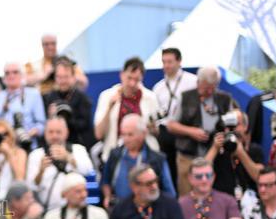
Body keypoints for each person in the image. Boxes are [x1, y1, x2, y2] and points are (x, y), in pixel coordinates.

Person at [167, 66, 239, 195]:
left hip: (216, 157)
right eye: (206, 88)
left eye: (213, 87)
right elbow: (171, 125)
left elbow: (232, 123)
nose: (209, 91)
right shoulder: (186, 97)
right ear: (198, 82)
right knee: (187, 195)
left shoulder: (224, 99)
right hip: (188, 155)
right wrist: (191, 131)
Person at [100, 114, 175, 209]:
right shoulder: (115, 154)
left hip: (149, 208)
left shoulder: (157, 159)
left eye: (130, 134)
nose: (126, 139)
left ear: (143, 134)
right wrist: (108, 196)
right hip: (118, 208)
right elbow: (105, 181)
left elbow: (169, 192)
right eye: (123, 134)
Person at [94, 57, 159, 160]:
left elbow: (157, 132)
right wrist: (110, 107)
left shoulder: (150, 98)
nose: (132, 83)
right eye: (129, 78)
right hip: (114, 157)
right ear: (122, 74)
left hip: (145, 158)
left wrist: (152, 128)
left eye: (136, 80)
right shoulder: (106, 96)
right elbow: (99, 134)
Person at [26, 116, 93, 210]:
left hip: (77, 208)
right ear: (45, 134)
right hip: (48, 210)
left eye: (58, 132)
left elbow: (88, 170)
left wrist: (68, 158)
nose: (54, 136)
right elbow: (32, 186)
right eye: (51, 132)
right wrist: (41, 171)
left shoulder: (78, 149)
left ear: (66, 133)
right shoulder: (36, 155)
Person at [152, 47, 197, 176]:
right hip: (165, 133)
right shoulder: (158, 87)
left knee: (188, 170)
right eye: (163, 62)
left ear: (179, 61)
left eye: (170, 61)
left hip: (186, 131)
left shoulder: (192, 81)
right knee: (169, 170)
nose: (166, 65)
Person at [0, 62, 45, 148]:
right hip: (2, 146)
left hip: (26, 144)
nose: (11, 76)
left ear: (22, 75)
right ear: (3, 78)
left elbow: (41, 124)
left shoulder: (33, 94)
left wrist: (27, 134)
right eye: (7, 73)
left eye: (15, 72)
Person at [43, 56, 94, 149]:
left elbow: (85, 125)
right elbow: (44, 126)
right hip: (54, 145)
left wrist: (66, 117)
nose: (62, 81)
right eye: (59, 77)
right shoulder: (49, 97)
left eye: (66, 77)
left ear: (74, 77)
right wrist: (51, 117)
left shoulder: (82, 98)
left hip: (78, 145)